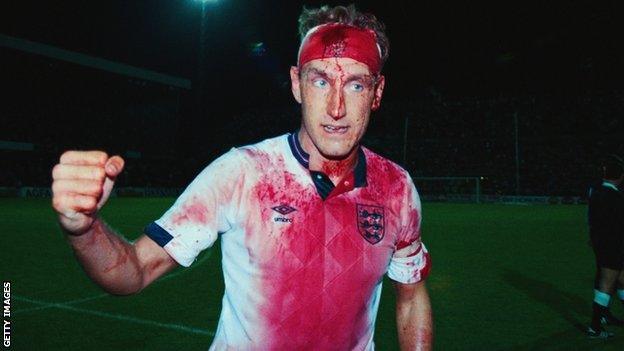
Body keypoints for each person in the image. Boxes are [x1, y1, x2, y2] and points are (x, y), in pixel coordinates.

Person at [51, 5, 433, 350]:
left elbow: (412, 297)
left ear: (377, 92)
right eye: (320, 81)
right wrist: (84, 229)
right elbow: (131, 272)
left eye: (355, 84)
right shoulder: (242, 173)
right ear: (297, 84)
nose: (336, 108)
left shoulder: (396, 189)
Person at [587, 154, 624, 338]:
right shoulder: (616, 198)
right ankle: (595, 327)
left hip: (601, 244)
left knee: (621, 281)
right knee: (606, 284)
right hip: (614, 246)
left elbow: (593, 221)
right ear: (620, 176)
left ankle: (603, 317)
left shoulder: (596, 191)